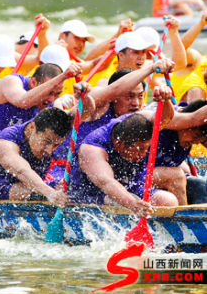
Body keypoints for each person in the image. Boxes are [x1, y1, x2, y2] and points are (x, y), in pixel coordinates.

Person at [69, 86, 178, 217]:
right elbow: (106, 182)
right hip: (93, 194)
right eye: (138, 150)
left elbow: (165, 119)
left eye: (145, 149)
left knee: (168, 200)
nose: (142, 155)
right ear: (119, 143)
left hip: (131, 185)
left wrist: (165, 100)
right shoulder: (92, 148)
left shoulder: (137, 121)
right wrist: (133, 204)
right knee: (114, 201)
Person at [0, 107, 73, 206]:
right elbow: (22, 171)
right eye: (46, 142)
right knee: (26, 191)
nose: (49, 150)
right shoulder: (5, 142)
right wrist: (50, 193)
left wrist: (84, 95)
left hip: (33, 189)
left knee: (67, 187)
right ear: (32, 127)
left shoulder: (45, 125)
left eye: (56, 145)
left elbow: (80, 113)